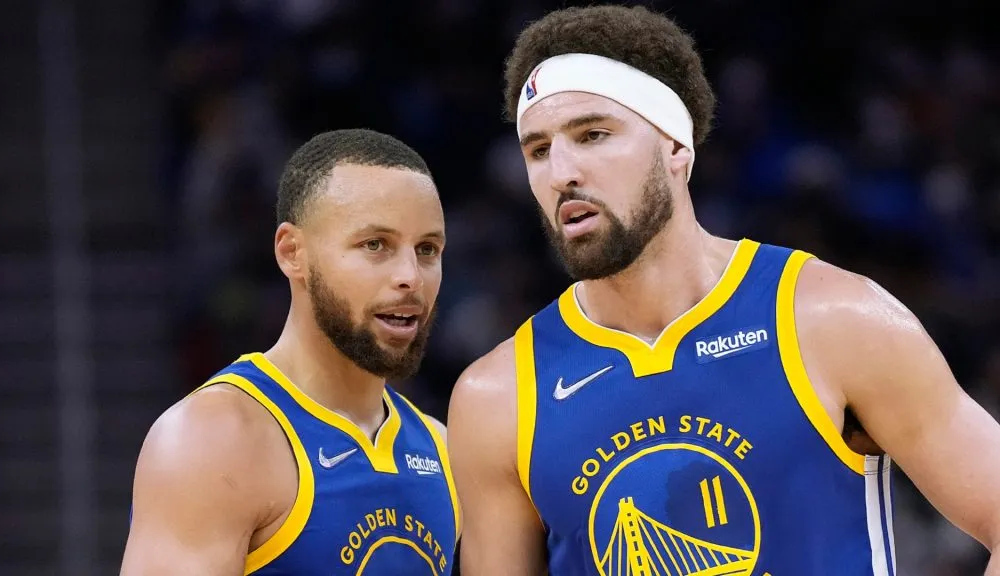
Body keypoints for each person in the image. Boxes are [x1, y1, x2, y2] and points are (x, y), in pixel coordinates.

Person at [447, 5, 1000, 575]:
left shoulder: (832, 318)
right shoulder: (498, 397)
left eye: (593, 135)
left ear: (675, 148)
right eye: (538, 150)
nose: (562, 172)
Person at [121, 129, 459, 576]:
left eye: (427, 249)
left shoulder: (442, 449)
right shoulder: (213, 439)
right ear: (292, 253)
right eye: (375, 245)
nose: (411, 277)